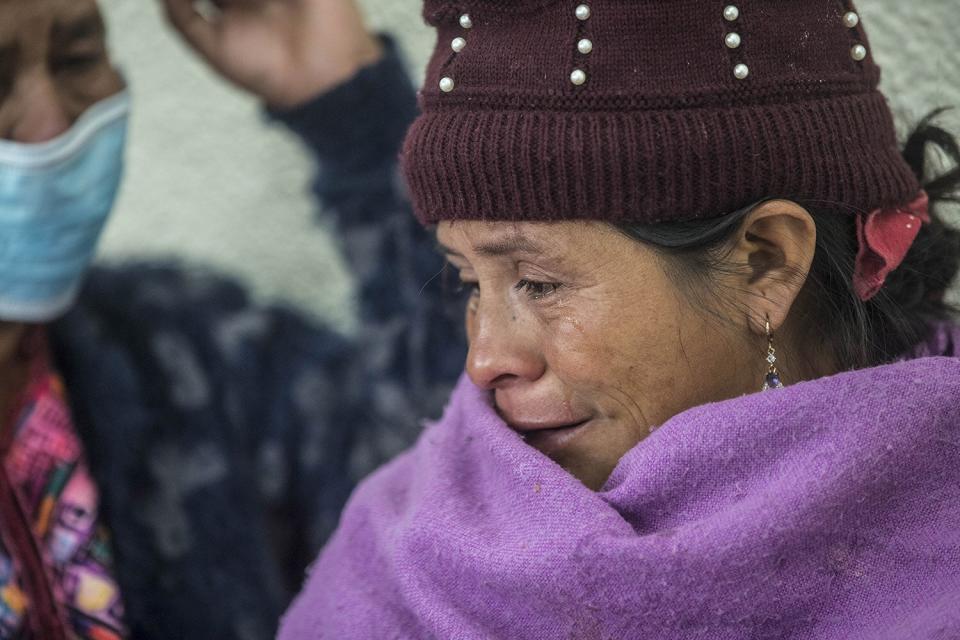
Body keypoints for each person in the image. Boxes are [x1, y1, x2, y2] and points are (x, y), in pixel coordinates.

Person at [278, 0, 960, 638]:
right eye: (469, 283)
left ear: (766, 264)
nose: (484, 360)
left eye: (540, 283)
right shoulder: (402, 553)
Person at [0, 0, 461, 637]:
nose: (51, 126)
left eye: (77, 59)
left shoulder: (183, 356)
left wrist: (355, 121)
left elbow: (462, 481)